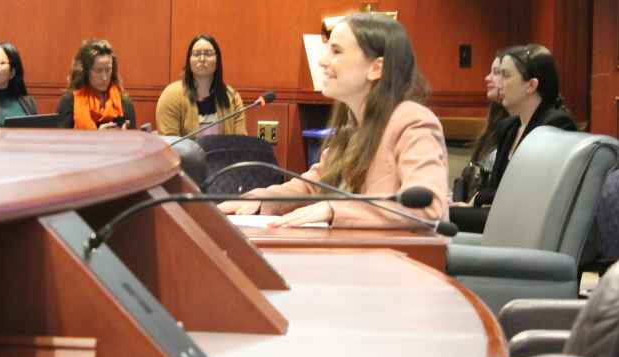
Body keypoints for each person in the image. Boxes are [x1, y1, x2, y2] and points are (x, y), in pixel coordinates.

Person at [217, 13, 448, 228]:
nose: (323, 61)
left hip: (404, 265)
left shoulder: (413, 121)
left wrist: (335, 210)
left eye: (336, 51)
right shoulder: (354, 126)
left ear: (377, 68)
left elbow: (428, 208)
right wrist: (258, 201)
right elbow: (312, 185)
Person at [465, 44, 577, 214]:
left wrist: (477, 200)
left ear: (531, 85)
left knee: (442, 218)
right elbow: (495, 189)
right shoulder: (509, 128)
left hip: (529, 224)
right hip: (503, 216)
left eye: (505, 75)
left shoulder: (556, 126)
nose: (499, 83)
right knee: (443, 216)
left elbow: (529, 194)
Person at [449, 53, 511, 231]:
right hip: (478, 208)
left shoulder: (536, 128)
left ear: (530, 84)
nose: (488, 78)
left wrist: (475, 200)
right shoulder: (500, 123)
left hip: (496, 217)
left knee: (434, 217)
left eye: (500, 73)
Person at [155, 33, 246, 137]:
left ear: (217, 61)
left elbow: (240, 141)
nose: (202, 59)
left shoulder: (232, 97)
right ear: (189, 61)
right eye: (197, 54)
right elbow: (169, 143)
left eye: (208, 54)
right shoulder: (171, 95)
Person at [55, 39, 137, 130]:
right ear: (85, 72)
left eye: (108, 70)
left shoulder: (124, 103)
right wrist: (97, 137)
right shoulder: (69, 102)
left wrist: (127, 136)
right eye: (98, 71)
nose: (104, 77)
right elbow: (62, 142)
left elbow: (135, 141)